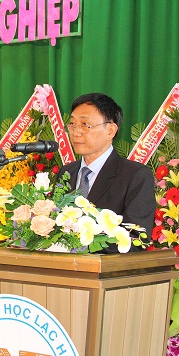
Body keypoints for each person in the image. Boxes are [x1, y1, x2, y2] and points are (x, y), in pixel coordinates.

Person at [57, 93, 155, 251]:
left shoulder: (135, 175)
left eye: (85, 124)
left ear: (110, 130)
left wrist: (79, 247)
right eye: (72, 124)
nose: (76, 132)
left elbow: (136, 239)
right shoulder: (66, 172)